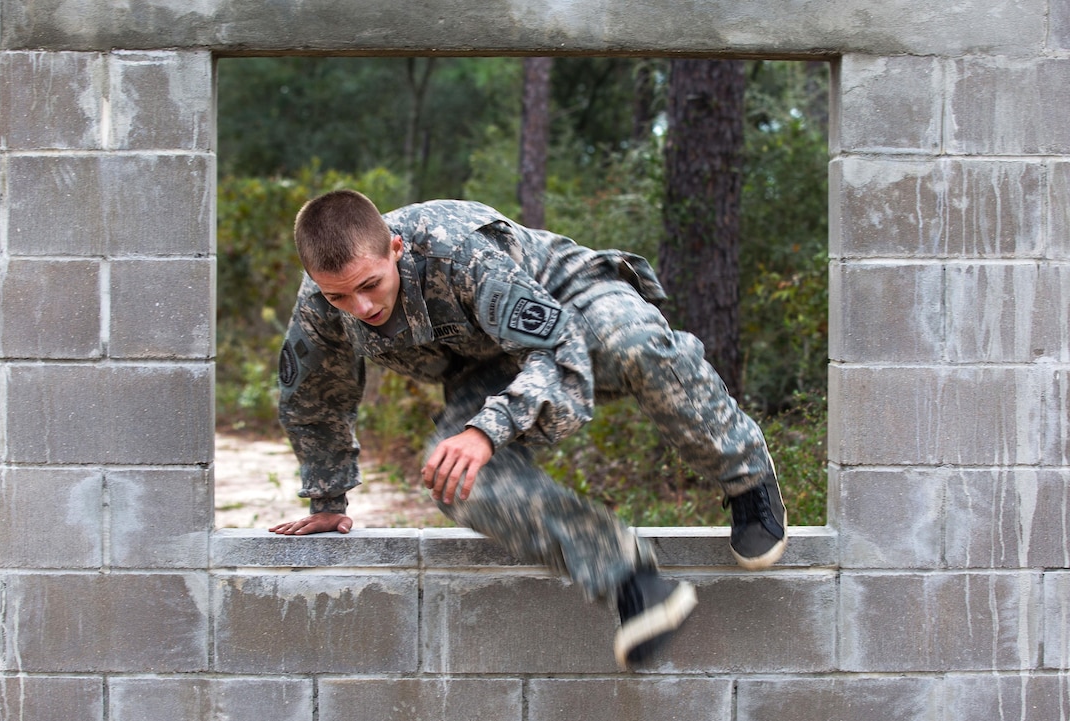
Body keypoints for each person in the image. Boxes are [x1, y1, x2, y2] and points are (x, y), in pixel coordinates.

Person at [269, 190, 787, 667]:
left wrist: (486, 430)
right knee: (457, 480)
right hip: (486, 362)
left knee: (636, 345)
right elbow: (313, 399)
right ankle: (630, 577)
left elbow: (555, 346)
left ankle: (745, 474)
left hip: (569, 300)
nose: (362, 308)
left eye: (369, 286)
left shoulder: (459, 253)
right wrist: (328, 500)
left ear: (396, 249)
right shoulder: (321, 305)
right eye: (340, 297)